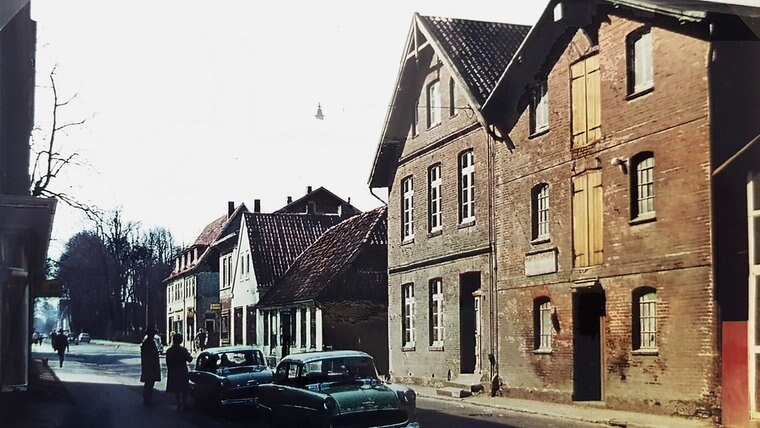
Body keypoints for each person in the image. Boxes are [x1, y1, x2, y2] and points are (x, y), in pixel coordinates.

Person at [165, 332, 192, 411]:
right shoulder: (183, 350)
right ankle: (184, 403)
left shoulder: (169, 351)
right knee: (184, 389)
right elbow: (190, 359)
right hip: (182, 371)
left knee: (177, 389)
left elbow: (168, 363)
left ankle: (178, 404)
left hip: (174, 371)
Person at [140, 327, 161, 406]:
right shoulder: (149, 343)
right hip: (150, 367)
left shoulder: (148, 342)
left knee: (149, 384)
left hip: (149, 366)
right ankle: (147, 400)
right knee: (149, 384)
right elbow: (150, 356)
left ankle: (147, 400)